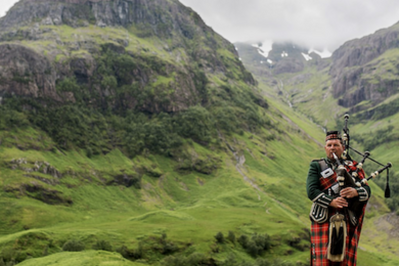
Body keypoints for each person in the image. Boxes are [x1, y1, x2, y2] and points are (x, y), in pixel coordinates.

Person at [306, 130, 371, 266]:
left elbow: (367, 189)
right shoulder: (317, 166)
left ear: (342, 147)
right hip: (323, 217)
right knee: (322, 261)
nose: (332, 148)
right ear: (325, 148)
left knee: (345, 262)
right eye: (329, 145)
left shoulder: (353, 167)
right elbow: (311, 191)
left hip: (347, 217)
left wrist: (355, 192)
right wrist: (332, 201)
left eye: (336, 145)